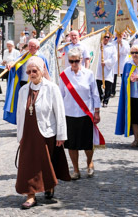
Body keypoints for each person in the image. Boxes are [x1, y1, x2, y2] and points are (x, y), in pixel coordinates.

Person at [15, 56, 70, 209]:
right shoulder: (23, 90)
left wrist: (61, 135)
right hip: (28, 133)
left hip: (46, 132)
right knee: (27, 165)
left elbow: (59, 112)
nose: (32, 74)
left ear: (42, 70)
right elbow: (20, 114)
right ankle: (30, 195)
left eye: (35, 70)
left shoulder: (52, 88)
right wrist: (19, 135)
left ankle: (49, 185)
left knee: (46, 163)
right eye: (29, 71)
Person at [58, 48, 100, 180]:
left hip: (85, 113)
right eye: (71, 61)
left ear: (81, 59)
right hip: (69, 114)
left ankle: (89, 162)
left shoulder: (89, 74)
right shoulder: (64, 75)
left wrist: (97, 112)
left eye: (76, 61)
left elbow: (95, 94)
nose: (74, 63)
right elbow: (60, 95)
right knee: (72, 144)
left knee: (87, 143)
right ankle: (75, 169)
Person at [95, 33, 117, 107]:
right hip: (99, 68)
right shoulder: (98, 46)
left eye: (108, 37)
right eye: (105, 37)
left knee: (108, 85)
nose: (106, 38)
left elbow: (114, 58)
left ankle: (106, 100)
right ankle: (101, 95)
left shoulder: (112, 47)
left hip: (108, 68)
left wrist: (106, 62)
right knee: (97, 84)